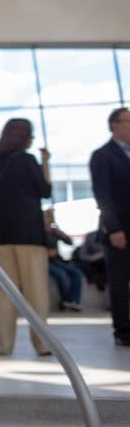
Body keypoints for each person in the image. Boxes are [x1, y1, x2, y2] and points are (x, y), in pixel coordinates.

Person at [0, 118, 52, 357]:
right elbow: (45, 191)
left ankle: (3, 345)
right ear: (25, 137)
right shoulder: (27, 160)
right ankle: (42, 344)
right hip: (28, 235)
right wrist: (45, 163)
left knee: (5, 294)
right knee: (35, 292)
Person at [89, 106, 130, 347]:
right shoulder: (103, 156)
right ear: (114, 125)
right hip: (119, 231)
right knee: (120, 282)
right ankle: (123, 330)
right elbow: (102, 195)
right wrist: (114, 229)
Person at [43, 208, 83, 312]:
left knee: (76, 273)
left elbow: (70, 242)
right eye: (48, 217)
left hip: (57, 261)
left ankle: (74, 301)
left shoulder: (54, 232)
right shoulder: (38, 232)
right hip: (44, 262)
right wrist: (47, 252)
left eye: (51, 217)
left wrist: (61, 234)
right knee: (61, 274)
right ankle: (65, 301)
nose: (50, 219)